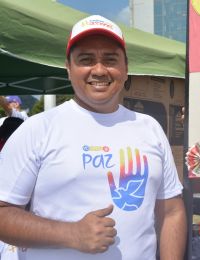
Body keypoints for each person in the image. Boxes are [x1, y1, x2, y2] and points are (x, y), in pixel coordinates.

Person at [0, 15, 186, 260]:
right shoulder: (38, 129)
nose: (99, 70)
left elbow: (172, 211)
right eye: (86, 60)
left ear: (126, 68)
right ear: (68, 68)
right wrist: (71, 234)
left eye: (110, 59)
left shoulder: (149, 128)